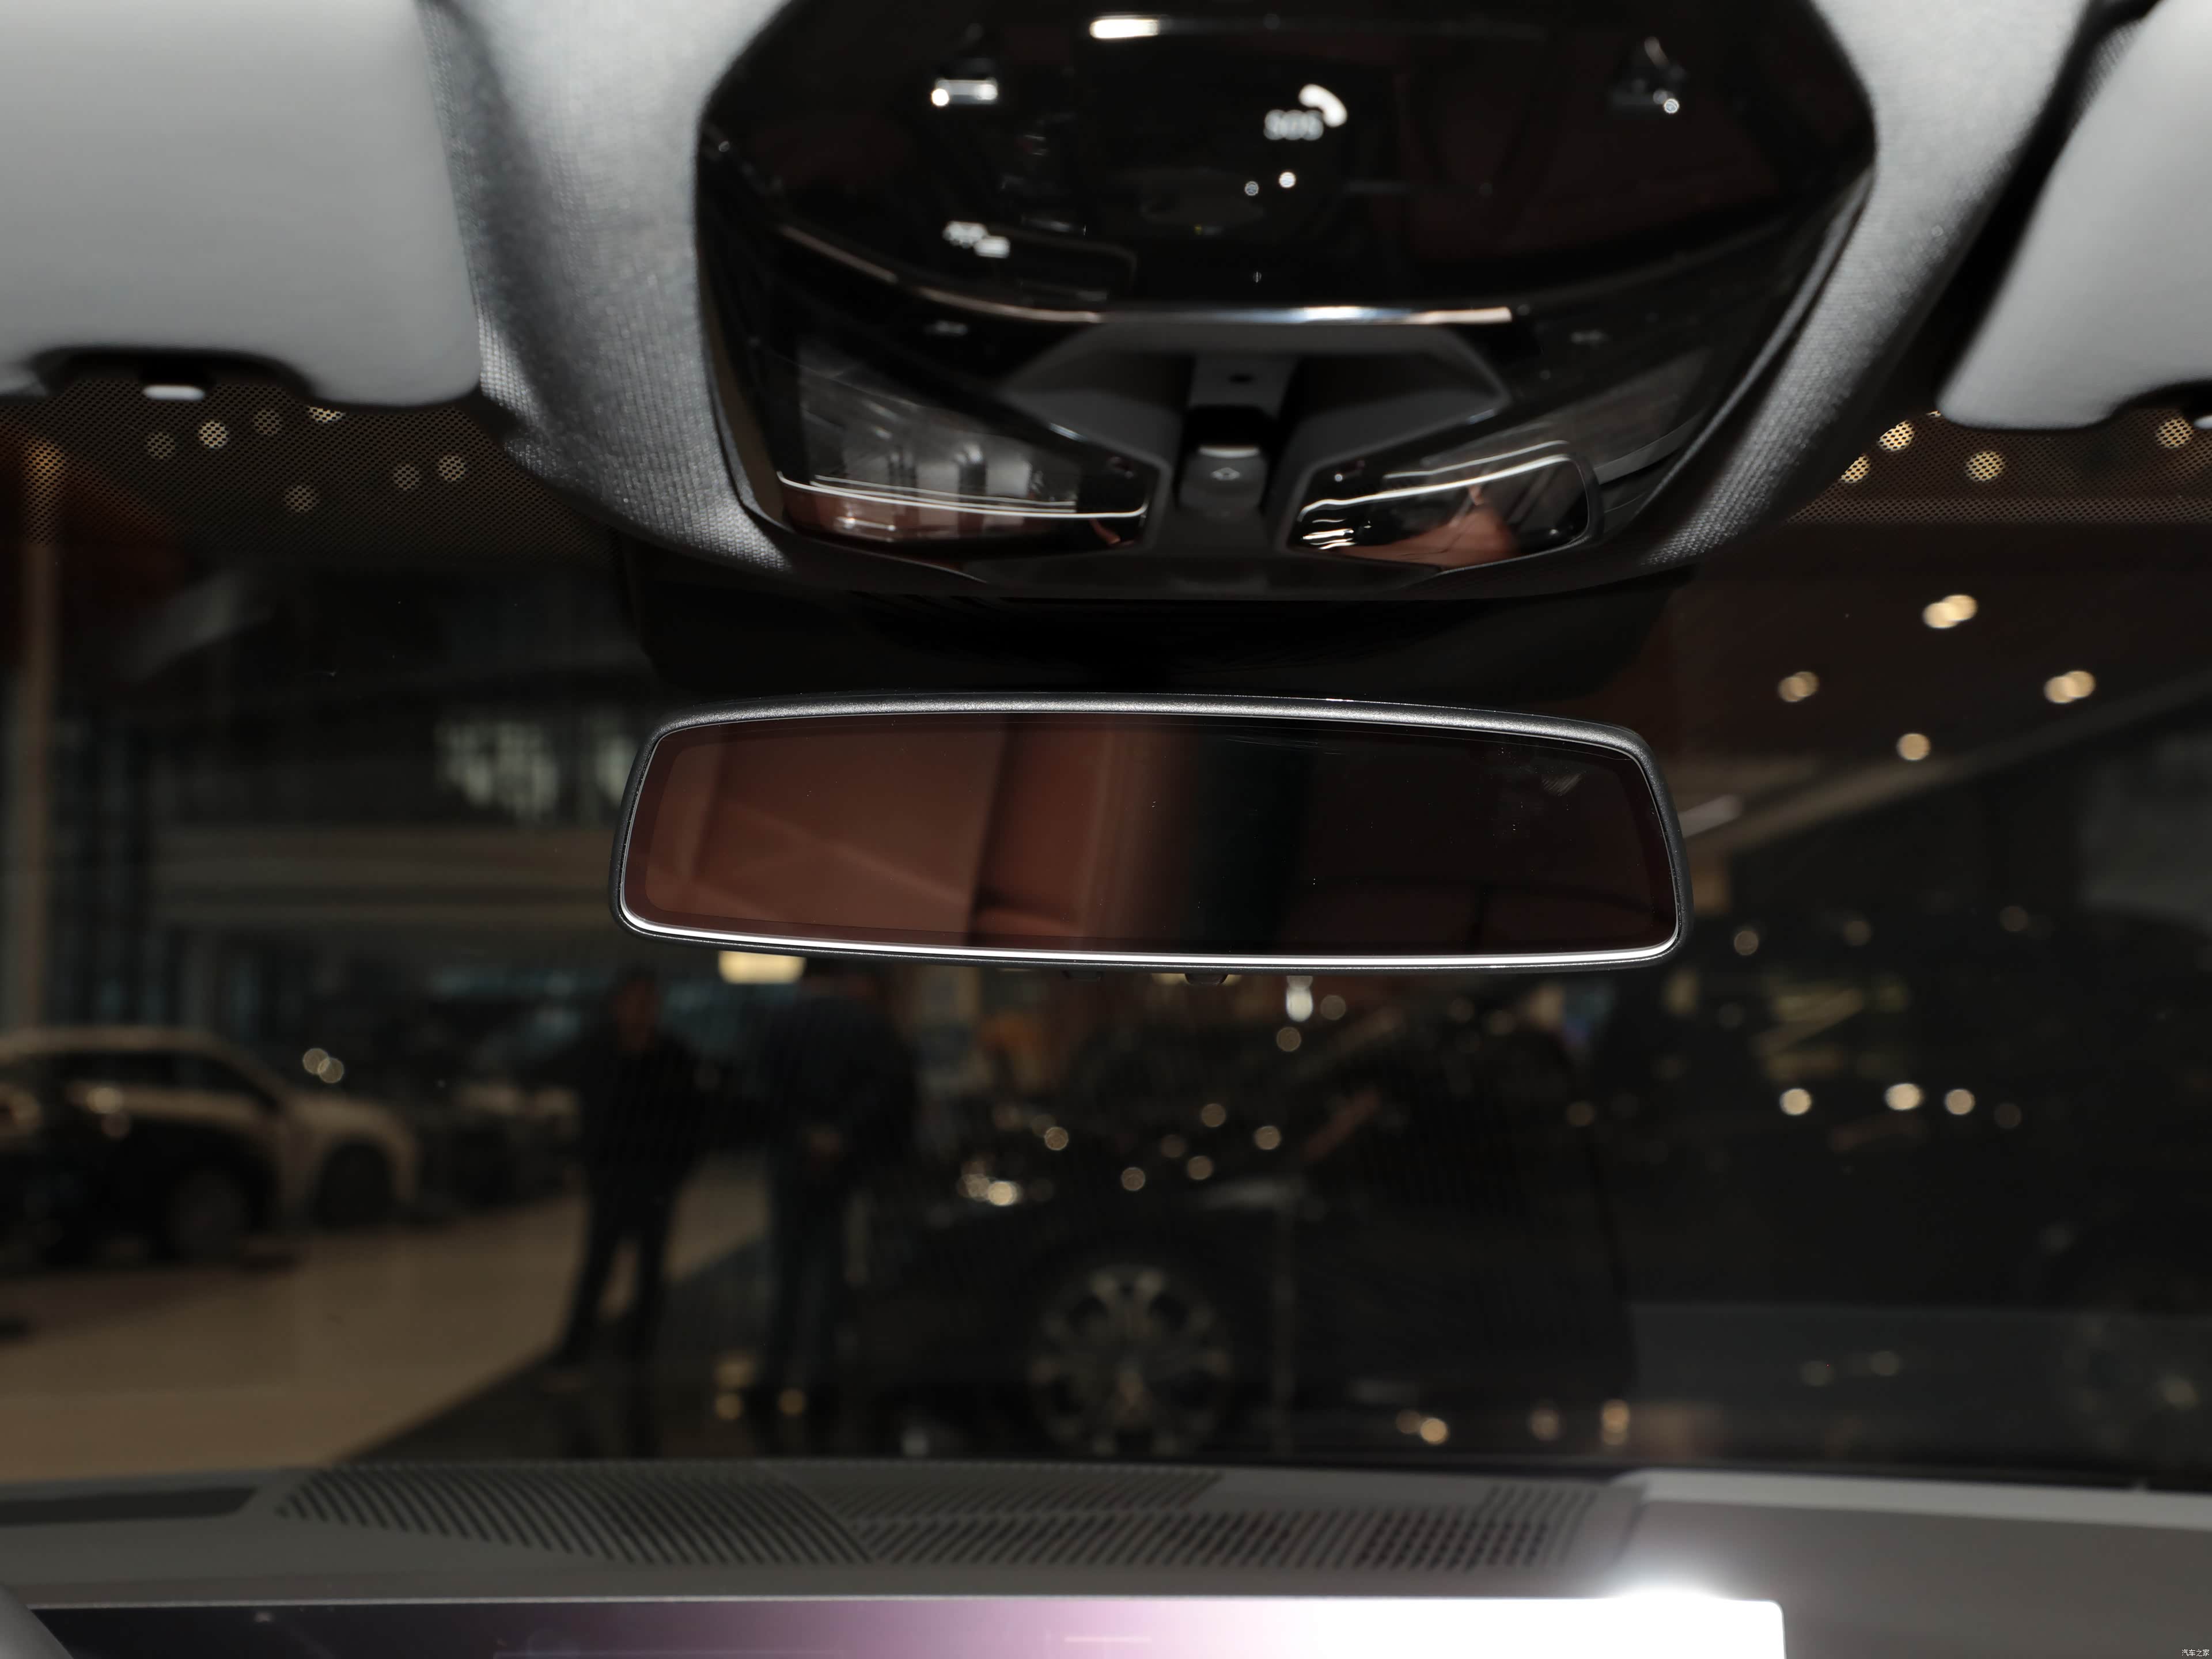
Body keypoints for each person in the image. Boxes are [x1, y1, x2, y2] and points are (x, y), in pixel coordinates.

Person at [752, 961, 916, 1423]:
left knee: (788, 1272)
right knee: (831, 1271)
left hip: (791, 1162)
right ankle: (821, 1383)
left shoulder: (778, 1024)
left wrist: (803, 1134)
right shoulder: (865, 1024)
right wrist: (842, 1132)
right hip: (844, 1164)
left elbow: (762, 1093)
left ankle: (772, 1380)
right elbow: (890, 1087)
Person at [547, 969, 710, 1374]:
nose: (640, 1011)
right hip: (612, 1175)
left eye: (647, 1003)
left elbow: (692, 1119)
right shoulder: (597, 1053)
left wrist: (678, 1169)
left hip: (656, 1175)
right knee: (598, 1264)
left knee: (651, 1268)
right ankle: (576, 1350)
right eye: (633, 1003)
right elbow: (582, 1109)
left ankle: (638, 1349)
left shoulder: (673, 1055)